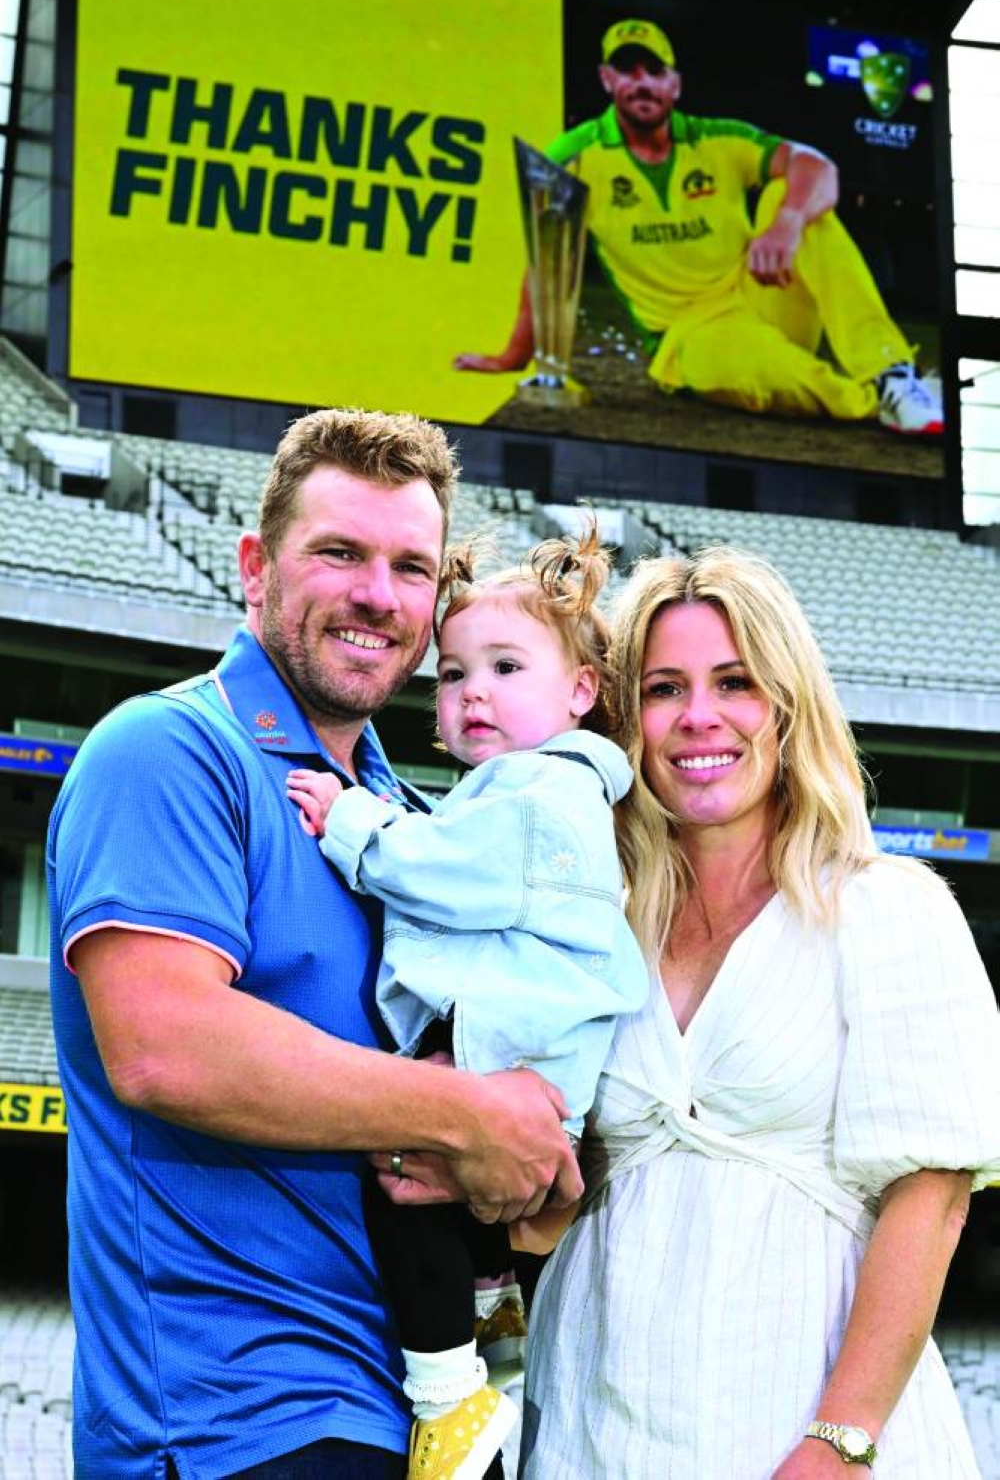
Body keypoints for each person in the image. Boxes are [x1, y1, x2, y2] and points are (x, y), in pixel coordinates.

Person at [46, 407, 583, 1480]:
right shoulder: (166, 748)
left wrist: (534, 1172)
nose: (376, 594)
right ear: (256, 567)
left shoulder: (408, 823)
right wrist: (471, 1112)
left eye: (409, 567)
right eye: (338, 552)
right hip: (230, 1422)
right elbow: (164, 1044)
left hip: (405, 1406)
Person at [517, 545, 1000, 1477]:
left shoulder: (886, 906)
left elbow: (930, 1200)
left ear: (785, 702)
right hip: (592, 1414)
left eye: (734, 681)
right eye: (663, 688)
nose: (699, 716)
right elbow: (555, 1191)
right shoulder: (596, 921)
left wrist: (839, 1442)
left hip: (802, 1426)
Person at [285, 526, 649, 1480]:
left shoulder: (534, 792)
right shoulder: (544, 791)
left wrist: (350, 818)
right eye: (450, 675)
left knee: (399, 1185)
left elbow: (440, 872)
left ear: (580, 693)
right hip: (527, 1048)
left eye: (504, 666)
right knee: (444, 1205)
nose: (472, 690)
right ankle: (490, 1305)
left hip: (503, 1046)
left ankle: (448, 1397)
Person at [455, 17, 943, 437]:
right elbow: (548, 258)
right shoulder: (576, 156)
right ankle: (868, 401)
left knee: (790, 194)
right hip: (689, 337)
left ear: (675, 84)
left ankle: (891, 375)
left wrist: (785, 225)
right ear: (607, 79)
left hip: (760, 295)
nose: (642, 82)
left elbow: (819, 168)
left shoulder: (717, 139)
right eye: (627, 70)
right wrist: (515, 355)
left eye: (655, 70)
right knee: (751, 366)